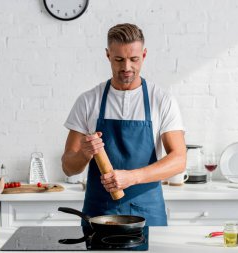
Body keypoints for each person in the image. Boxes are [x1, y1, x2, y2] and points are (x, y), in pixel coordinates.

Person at [62, 23, 186, 226]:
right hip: (99, 214)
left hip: (148, 213)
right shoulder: (88, 101)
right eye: (119, 59)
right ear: (108, 55)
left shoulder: (161, 100)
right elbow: (68, 167)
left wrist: (132, 177)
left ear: (144, 55)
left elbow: (179, 160)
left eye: (134, 59)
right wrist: (85, 153)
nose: (127, 67)